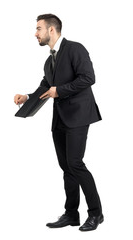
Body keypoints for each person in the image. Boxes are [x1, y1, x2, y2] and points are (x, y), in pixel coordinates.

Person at [14, 14, 104, 232]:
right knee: (66, 167)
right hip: (60, 118)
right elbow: (46, 85)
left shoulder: (75, 49)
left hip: (79, 116)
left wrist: (60, 90)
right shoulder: (49, 60)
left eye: (39, 29)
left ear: (51, 30)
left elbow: (88, 77)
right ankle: (72, 214)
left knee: (75, 164)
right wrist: (27, 97)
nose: (35, 34)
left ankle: (96, 214)